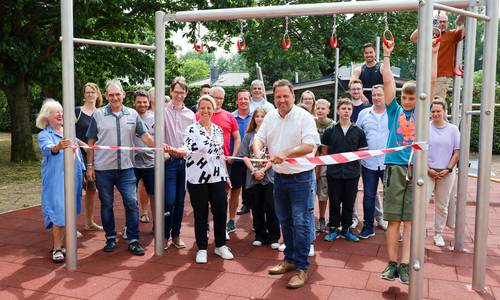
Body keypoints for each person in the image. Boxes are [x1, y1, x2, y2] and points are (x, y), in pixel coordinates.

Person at [379, 39, 439, 284]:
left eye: (412, 98)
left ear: (419, 100)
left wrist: (433, 52)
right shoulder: (394, 110)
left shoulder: (422, 112)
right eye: (405, 97)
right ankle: (392, 264)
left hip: (415, 168)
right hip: (394, 167)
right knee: (393, 219)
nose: (407, 101)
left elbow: (432, 83)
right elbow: (388, 82)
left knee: (410, 221)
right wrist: (387, 56)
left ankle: (404, 264)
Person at [253, 79, 320, 289]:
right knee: (284, 220)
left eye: (286, 96)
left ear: (293, 96)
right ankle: (290, 259)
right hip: (279, 177)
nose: (282, 100)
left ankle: (301, 267)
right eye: (278, 96)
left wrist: (286, 153)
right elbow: (259, 138)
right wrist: (258, 152)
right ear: (274, 97)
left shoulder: (304, 117)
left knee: (301, 222)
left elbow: (310, 145)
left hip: (301, 177)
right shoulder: (271, 116)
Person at [86, 79, 155, 256]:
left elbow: (145, 136)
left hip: (126, 169)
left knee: (132, 203)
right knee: (106, 205)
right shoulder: (98, 115)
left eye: (118, 94)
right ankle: (110, 238)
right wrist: (90, 166)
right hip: (103, 169)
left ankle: (133, 240)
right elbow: (91, 141)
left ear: (123, 95)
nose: (115, 98)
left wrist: (160, 148)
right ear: (106, 96)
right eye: (111, 95)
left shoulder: (132, 114)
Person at [164, 95, 234, 264]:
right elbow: (186, 149)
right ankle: (202, 248)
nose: (205, 110)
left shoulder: (218, 130)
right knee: (200, 213)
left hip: (217, 176)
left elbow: (219, 155)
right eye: (202, 107)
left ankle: (220, 245)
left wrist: (226, 176)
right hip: (198, 179)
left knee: (220, 211)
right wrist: (174, 150)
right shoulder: (191, 129)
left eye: (209, 107)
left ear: (213, 109)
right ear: (198, 110)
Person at [37, 99, 84, 263]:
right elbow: (47, 149)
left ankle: (67, 237)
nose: (60, 114)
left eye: (61, 111)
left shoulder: (69, 130)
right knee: (58, 210)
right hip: (57, 178)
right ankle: (57, 248)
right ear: (47, 116)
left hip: (75, 176)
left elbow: (78, 145)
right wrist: (58, 146)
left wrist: (90, 148)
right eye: (56, 111)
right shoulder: (44, 134)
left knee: (71, 207)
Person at [196, 87, 241, 234]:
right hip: (203, 165)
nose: (219, 100)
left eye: (221, 98)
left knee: (223, 197)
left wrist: (233, 155)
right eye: (216, 97)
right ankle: (206, 227)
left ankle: (224, 228)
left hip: (224, 163)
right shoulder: (199, 115)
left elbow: (237, 137)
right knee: (205, 198)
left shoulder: (229, 116)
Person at [322, 98, 368, 242]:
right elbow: (325, 151)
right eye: (343, 108)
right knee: (334, 202)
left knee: (349, 202)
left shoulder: (359, 132)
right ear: (337, 111)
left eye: (349, 109)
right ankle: (334, 228)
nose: (346, 111)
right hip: (334, 173)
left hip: (352, 174)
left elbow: (361, 152)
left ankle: (346, 229)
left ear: (352, 111)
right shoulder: (330, 131)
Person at [240, 107, 280, 249]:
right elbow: (244, 155)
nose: (259, 119)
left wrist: (263, 170)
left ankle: (274, 236)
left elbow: (275, 156)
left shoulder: (272, 135)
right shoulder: (248, 136)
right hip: (253, 178)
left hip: (269, 177)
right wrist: (254, 171)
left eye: (262, 116)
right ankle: (260, 235)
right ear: (254, 119)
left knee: (271, 207)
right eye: (257, 116)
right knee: (256, 208)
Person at [163, 77, 196, 250]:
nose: (179, 95)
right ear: (171, 92)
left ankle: (176, 235)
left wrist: (182, 150)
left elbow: (191, 140)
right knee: (168, 200)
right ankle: (164, 234)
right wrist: (168, 151)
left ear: (186, 94)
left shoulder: (190, 115)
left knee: (180, 201)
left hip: (184, 162)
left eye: (182, 92)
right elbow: (156, 136)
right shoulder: (162, 111)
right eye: (176, 92)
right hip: (168, 162)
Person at [356, 84, 389, 239]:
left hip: (389, 162)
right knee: (369, 195)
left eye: (379, 95)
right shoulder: (363, 113)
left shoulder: (393, 113)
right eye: (374, 95)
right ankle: (368, 226)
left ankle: (392, 226)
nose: (376, 98)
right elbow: (357, 134)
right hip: (368, 163)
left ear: (385, 96)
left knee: (391, 196)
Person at [426, 98, 460, 247]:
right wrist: (427, 169)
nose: (435, 114)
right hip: (427, 171)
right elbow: (419, 150)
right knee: (421, 203)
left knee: (442, 205)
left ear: (444, 112)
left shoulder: (453, 129)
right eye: (433, 111)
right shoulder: (425, 128)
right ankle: (418, 231)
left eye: (438, 111)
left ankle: (438, 233)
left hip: (446, 172)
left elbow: (457, 151)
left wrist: (448, 169)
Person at [410, 13, 465, 100]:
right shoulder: (428, 35)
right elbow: (413, 38)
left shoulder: (451, 35)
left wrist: (462, 18)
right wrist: (426, 24)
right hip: (426, 75)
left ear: (447, 23)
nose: (442, 24)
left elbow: (465, 31)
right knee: (423, 102)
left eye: (444, 22)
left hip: (441, 76)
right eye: (440, 22)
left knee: (436, 103)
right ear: (435, 22)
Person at [75, 82, 103, 232]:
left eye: (93, 92)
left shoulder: (101, 113)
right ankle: (71, 225)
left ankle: (89, 222)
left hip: (96, 156)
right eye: (87, 92)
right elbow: (68, 133)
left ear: (97, 94)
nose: (90, 95)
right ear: (84, 95)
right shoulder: (77, 111)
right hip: (79, 156)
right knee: (76, 189)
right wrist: (83, 145)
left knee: (92, 189)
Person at [348, 79, 371, 229]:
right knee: (353, 188)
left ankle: (379, 217)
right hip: (350, 155)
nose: (356, 91)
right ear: (349, 91)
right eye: (353, 89)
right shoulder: (345, 108)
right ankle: (354, 217)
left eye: (358, 89)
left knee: (371, 188)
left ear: (362, 90)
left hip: (367, 154)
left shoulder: (368, 108)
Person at [132, 90, 155, 225]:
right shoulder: (129, 116)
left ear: (149, 102)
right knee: (130, 197)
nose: (142, 104)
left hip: (151, 163)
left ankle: (156, 224)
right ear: (134, 103)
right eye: (139, 102)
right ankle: (130, 225)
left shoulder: (155, 118)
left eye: (144, 102)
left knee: (154, 195)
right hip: (132, 163)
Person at [230, 90, 253, 219]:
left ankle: (257, 221)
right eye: (240, 99)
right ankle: (231, 220)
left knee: (253, 191)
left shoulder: (256, 116)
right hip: (236, 160)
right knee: (235, 189)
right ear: (236, 101)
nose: (243, 101)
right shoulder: (230, 117)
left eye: (246, 98)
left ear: (250, 100)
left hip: (252, 160)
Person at [314, 99, 334, 232]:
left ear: (328, 110)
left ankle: (322, 218)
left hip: (325, 160)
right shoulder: (311, 122)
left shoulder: (333, 125)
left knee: (323, 191)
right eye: (318, 108)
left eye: (323, 108)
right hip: (311, 159)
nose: (320, 111)